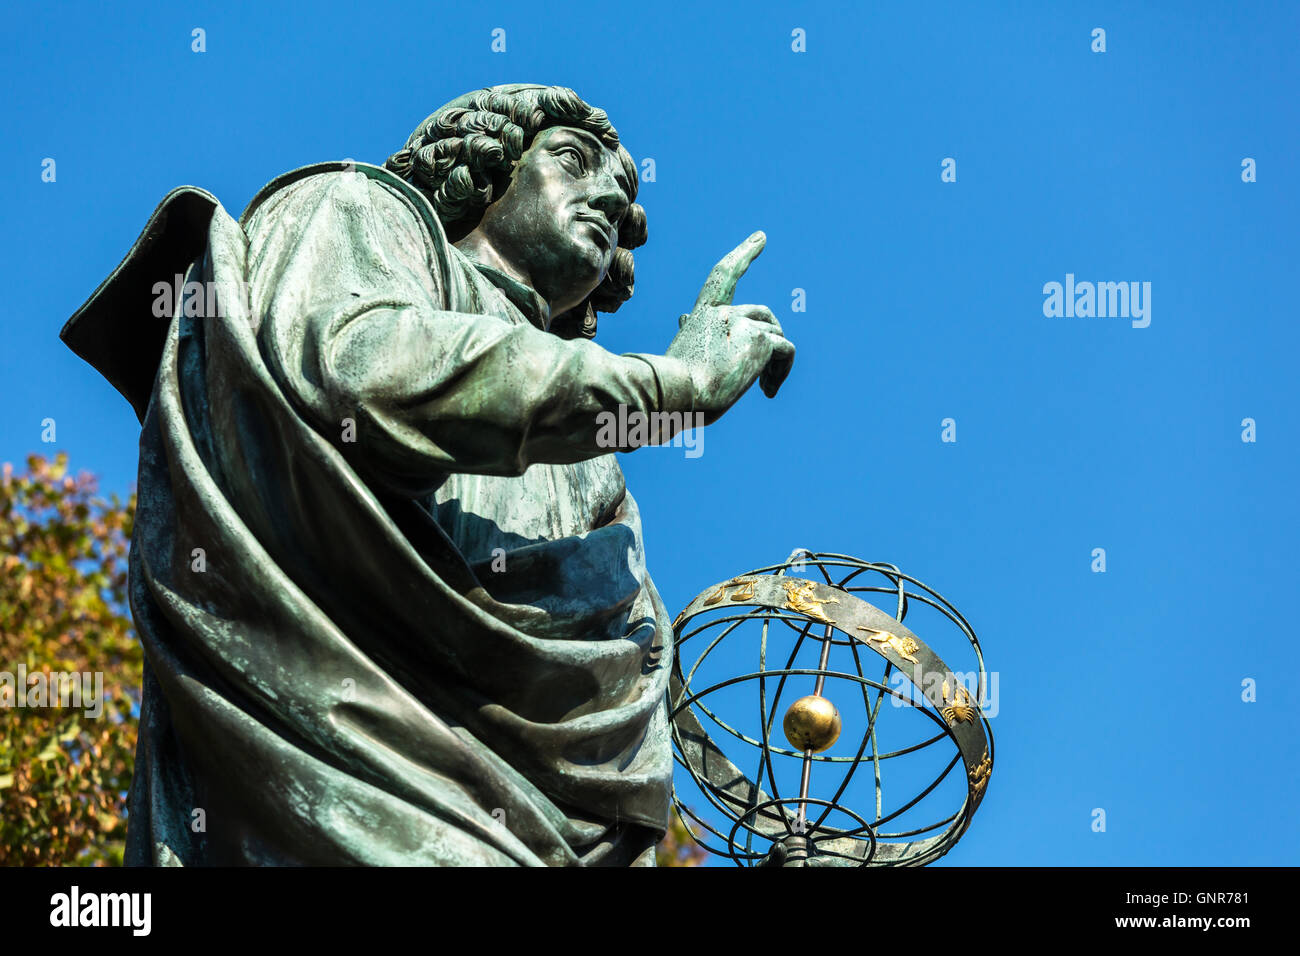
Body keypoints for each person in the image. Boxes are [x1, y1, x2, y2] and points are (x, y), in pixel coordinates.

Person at [62, 83, 793, 865]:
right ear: (481, 170)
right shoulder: (354, 208)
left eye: (617, 211)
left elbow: (617, 696)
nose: (602, 202)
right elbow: (366, 373)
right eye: (572, 162)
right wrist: (670, 386)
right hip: (343, 747)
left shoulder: (598, 472)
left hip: (530, 830)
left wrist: (779, 835)